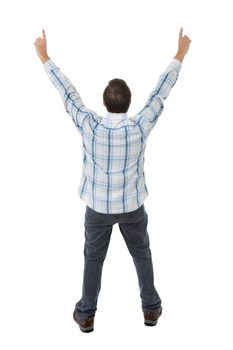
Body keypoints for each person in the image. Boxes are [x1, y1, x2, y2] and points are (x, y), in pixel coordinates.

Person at [34, 27, 191, 333]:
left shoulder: (90, 126)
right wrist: (180, 53)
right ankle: (151, 310)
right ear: (128, 104)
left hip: (97, 209)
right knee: (142, 254)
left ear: (105, 104)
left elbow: (68, 93)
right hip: (132, 206)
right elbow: (161, 92)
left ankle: (87, 314)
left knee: (93, 259)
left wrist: (44, 55)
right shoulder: (139, 127)